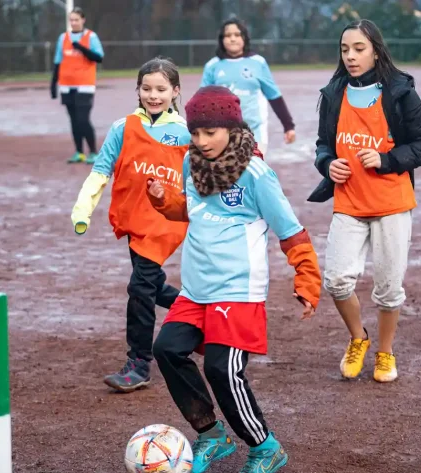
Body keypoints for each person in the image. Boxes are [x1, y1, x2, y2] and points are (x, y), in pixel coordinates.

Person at [149, 85, 321, 473]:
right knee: (167, 350)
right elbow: (190, 209)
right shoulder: (190, 163)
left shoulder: (256, 173)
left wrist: (307, 279)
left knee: (221, 370)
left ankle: (266, 446)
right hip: (196, 289)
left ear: (231, 126)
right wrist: (164, 200)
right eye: (195, 133)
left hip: (237, 289)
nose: (201, 140)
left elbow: (289, 229)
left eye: (210, 132)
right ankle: (211, 434)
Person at [309, 19, 421, 383]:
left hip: (392, 203)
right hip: (348, 202)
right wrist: (326, 163)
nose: (350, 56)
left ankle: (385, 352)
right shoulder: (334, 92)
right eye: (345, 49)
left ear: (376, 51)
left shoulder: (399, 91)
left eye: (359, 49)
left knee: (388, 289)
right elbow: (323, 144)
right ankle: (358, 338)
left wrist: (387, 160)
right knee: (335, 280)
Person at [70, 57, 190, 392]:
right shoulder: (122, 128)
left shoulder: (185, 133)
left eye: (161, 89)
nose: (154, 95)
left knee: (140, 288)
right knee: (152, 286)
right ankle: (201, 316)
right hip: (134, 220)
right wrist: (83, 207)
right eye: (147, 88)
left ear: (175, 91)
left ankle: (139, 364)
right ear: (137, 90)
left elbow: (197, 178)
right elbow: (102, 169)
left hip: (166, 222)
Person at [200, 18, 295, 155]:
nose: (232, 39)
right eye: (228, 35)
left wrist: (288, 125)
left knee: (254, 172)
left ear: (244, 38)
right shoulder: (212, 66)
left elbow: (273, 95)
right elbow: (202, 101)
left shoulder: (258, 62)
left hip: (255, 131)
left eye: (237, 35)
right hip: (222, 133)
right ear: (221, 40)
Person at [51, 7, 104, 164]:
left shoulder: (91, 37)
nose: (73, 23)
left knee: (83, 119)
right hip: (67, 85)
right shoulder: (63, 38)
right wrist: (53, 84)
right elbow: (57, 62)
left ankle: (94, 152)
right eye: (71, 20)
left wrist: (81, 47)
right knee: (73, 120)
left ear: (83, 20)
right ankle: (79, 152)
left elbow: (99, 57)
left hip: (85, 85)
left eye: (76, 19)